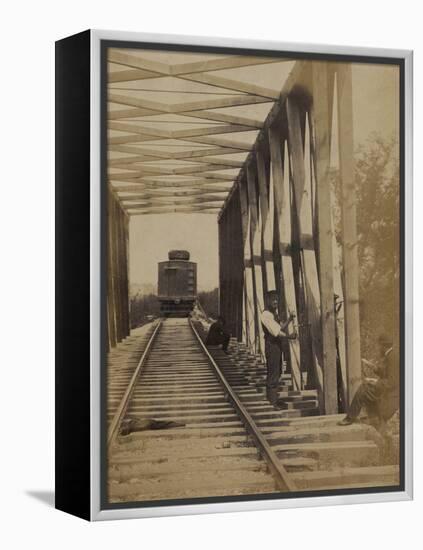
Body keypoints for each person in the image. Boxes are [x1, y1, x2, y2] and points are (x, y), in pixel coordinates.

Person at [338, 334, 399, 432]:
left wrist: (375, 381)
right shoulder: (391, 355)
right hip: (389, 391)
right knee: (367, 389)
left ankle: (350, 418)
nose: (379, 348)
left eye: (379, 346)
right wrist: (371, 365)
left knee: (363, 389)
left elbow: (392, 382)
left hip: (391, 396)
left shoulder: (392, 357)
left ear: (384, 346)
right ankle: (373, 417)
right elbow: (386, 373)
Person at [260, 291, 297, 408]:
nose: (275, 302)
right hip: (272, 346)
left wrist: (290, 319)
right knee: (273, 374)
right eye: (273, 300)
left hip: (277, 346)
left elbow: (280, 327)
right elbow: (276, 332)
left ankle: (273, 399)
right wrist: (289, 336)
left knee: (277, 372)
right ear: (268, 301)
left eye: (276, 299)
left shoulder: (274, 314)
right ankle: (272, 402)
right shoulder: (266, 315)